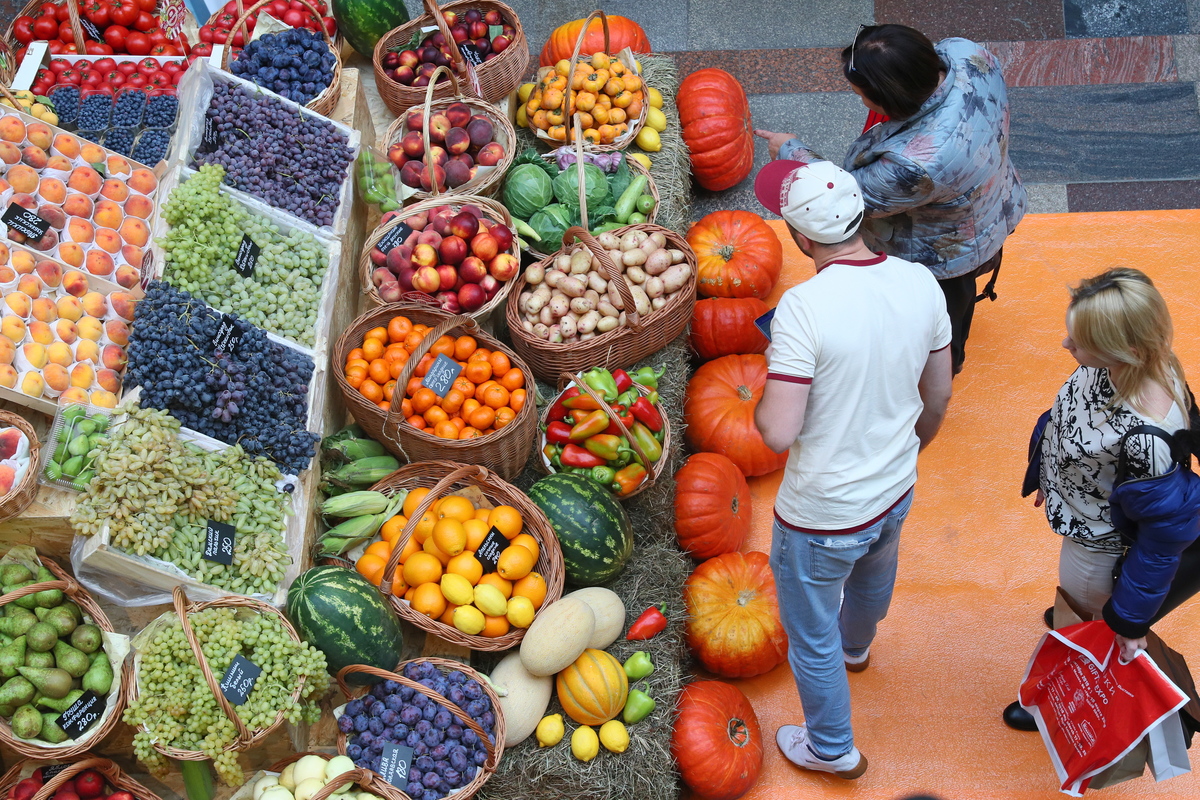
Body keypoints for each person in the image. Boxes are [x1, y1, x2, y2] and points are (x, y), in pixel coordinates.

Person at [751, 159, 953, 778]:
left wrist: (767, 393)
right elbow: (938, 395)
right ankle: (858, 648)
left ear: (800, 238)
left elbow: (778, 432)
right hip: (894, 488)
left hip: (821, 512)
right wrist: (910, 449)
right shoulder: (922, 283)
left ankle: (832, 749)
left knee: (810, 637)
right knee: (872, 574)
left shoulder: (803, 309)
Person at [755, 24, 1027, 375]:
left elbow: (847, 193)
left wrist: (791, 151)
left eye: (860, 95)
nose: (860, 101)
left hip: (944, 253)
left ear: (891, 99)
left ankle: (941, 367)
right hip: (993, 200)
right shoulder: (968, 54)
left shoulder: (918, 163)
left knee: (943, 320)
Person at [1003, 268, 1200, 731]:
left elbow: (1161, 541)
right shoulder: (1143, 362)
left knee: (1086, 626)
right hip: (1083, 515)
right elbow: (1070, 421)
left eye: (1080, 341)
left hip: (1098, 549)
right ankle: (1083, 621)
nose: (1066, 347)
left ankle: (1054, 701)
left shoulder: (1148, 440)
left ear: (1123, 349)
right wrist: (1050, 476)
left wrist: (1128, 622)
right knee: (1079, 612)